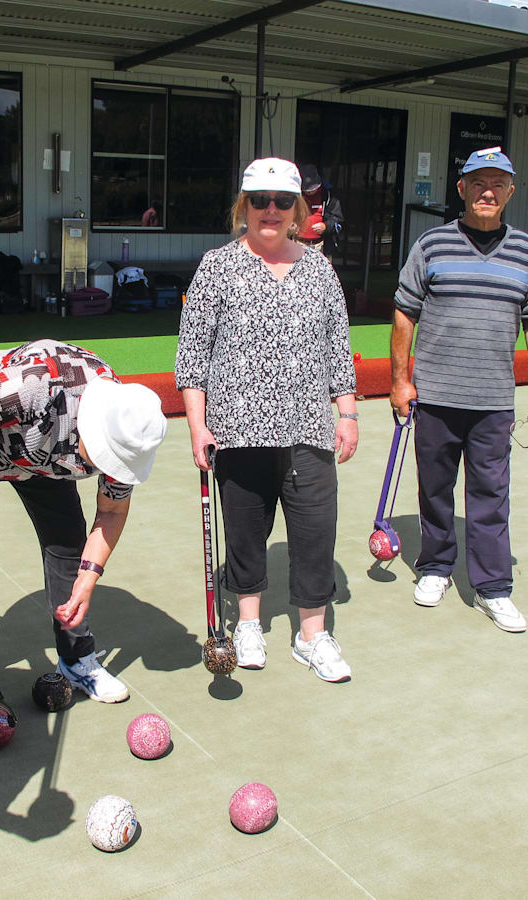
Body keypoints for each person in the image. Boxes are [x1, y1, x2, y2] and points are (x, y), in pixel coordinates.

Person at [0, 339, 167, 717]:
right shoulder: (33, 386)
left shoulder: (129, 430)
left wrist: (89, 575)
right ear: (90, 429)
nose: (109, 470)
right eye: (104, 458)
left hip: (37, 452)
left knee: (68, 546)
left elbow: (111, 513)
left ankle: (77, 656)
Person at [176, 157, 358, 682]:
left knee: (315, 532)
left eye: (282, 201)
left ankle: (312, 636)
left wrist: (346, 413)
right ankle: (249, 624)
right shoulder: (217, 266)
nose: (271, 211)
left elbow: (338, 350)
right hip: (238, 430)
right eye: (260, 200)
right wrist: (197, 425)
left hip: (309, 429)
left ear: (299, 209)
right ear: (244, 206)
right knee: (247, 533)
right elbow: (193, 357)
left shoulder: (320, 269)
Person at [390, 147, 528, 634]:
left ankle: (493, 588)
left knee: (491, 496)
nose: (488, 191)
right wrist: (401, 380)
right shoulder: (431, 245)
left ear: (510, 191)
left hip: (492, 402)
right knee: (435, 489)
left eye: (498, 184)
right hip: (436, 396)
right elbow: (405, 312)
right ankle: (437, 567)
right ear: (460, 188)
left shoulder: (526, 250)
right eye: (478, 182)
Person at [295, 163, 344, 258]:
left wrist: (326, 226)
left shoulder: (327, 196)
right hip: (297, 243)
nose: (310, 192)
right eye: (307, 190)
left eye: (313, 189)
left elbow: (338, 219)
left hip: (320, 245)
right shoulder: (295, 196)